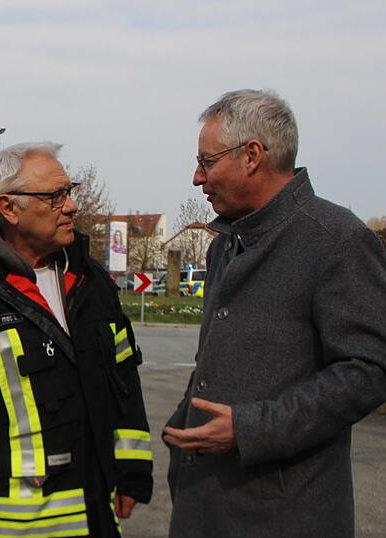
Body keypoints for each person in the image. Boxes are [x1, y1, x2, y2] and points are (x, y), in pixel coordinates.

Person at [163, 89, 386, 537]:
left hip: (285, 516)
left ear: (251, 156)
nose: (197, 178)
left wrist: (251, 429)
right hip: (204, 503)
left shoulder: (336, 240)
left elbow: (369, 370)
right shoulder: (225, 245)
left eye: (206, 162)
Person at [0, 142, 152, 537]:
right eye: (55, 196)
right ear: (9, 208)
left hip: (99, 521)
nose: (72, 206)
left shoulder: (93, 284)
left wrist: (133, 470)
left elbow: (124, 383)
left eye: (70, 191)